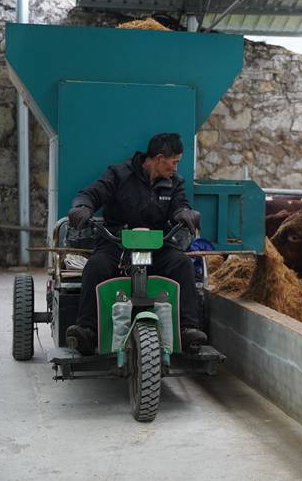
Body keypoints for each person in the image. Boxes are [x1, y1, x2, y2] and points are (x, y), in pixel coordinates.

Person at [65, 133, 206, 355]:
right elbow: (91, 194)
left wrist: (185, 213)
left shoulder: (175, 183)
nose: (176, 168)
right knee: (96, 266)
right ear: (159, 158)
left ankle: (187, 329)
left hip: (157, 245)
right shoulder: (118, 174)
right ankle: (87, 330)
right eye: (174, 162)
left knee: (182, 264)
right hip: (117, 244)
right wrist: (82, 206)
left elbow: (181, 205)